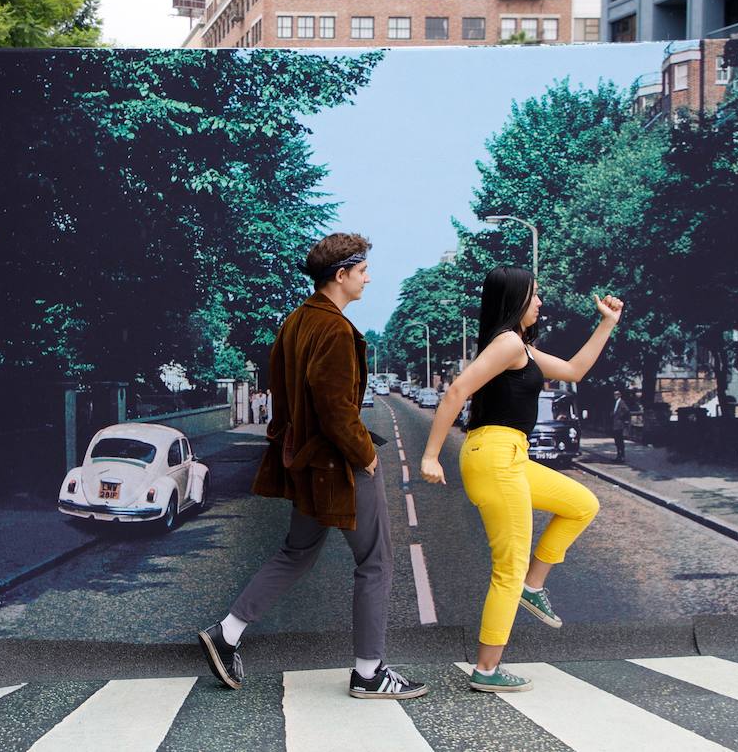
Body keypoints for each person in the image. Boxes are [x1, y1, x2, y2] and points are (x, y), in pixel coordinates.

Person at [198, 234, 428, 701]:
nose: (368, 278)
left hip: (306, 464)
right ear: (340, 275)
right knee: (376, 562)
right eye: (362, 271)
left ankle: (227, 632)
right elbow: (336, 412)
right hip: (339, 468)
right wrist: (366, 457)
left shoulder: (295, 323)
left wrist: (293, 452)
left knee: (296, 552)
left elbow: (282, 401)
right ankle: (369, 673)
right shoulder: (335, 330)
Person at [420, 266, 621, 693]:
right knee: (506, 567)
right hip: (494, 455)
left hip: (512, 455)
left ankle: (534, 586)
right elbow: (457, 391)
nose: (540, 303)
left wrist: (606, 323)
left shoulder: (522, 349)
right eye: (534, 297)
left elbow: (574, 370)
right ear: (515, 300)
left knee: (582, 504)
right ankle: (487, 670)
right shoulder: (508, 343)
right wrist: (431, 454)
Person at [611, 389, 635, 464]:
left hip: (619, 425)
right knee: (617, 441)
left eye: (616, 394)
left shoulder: (621, 402)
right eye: (614, 394)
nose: (615, 396)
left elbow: (627, 411)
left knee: (620, 441)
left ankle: (622, 457)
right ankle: (618, 456)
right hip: (615, 425)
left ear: (619, 395)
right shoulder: (616, 402)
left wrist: (621, 418)